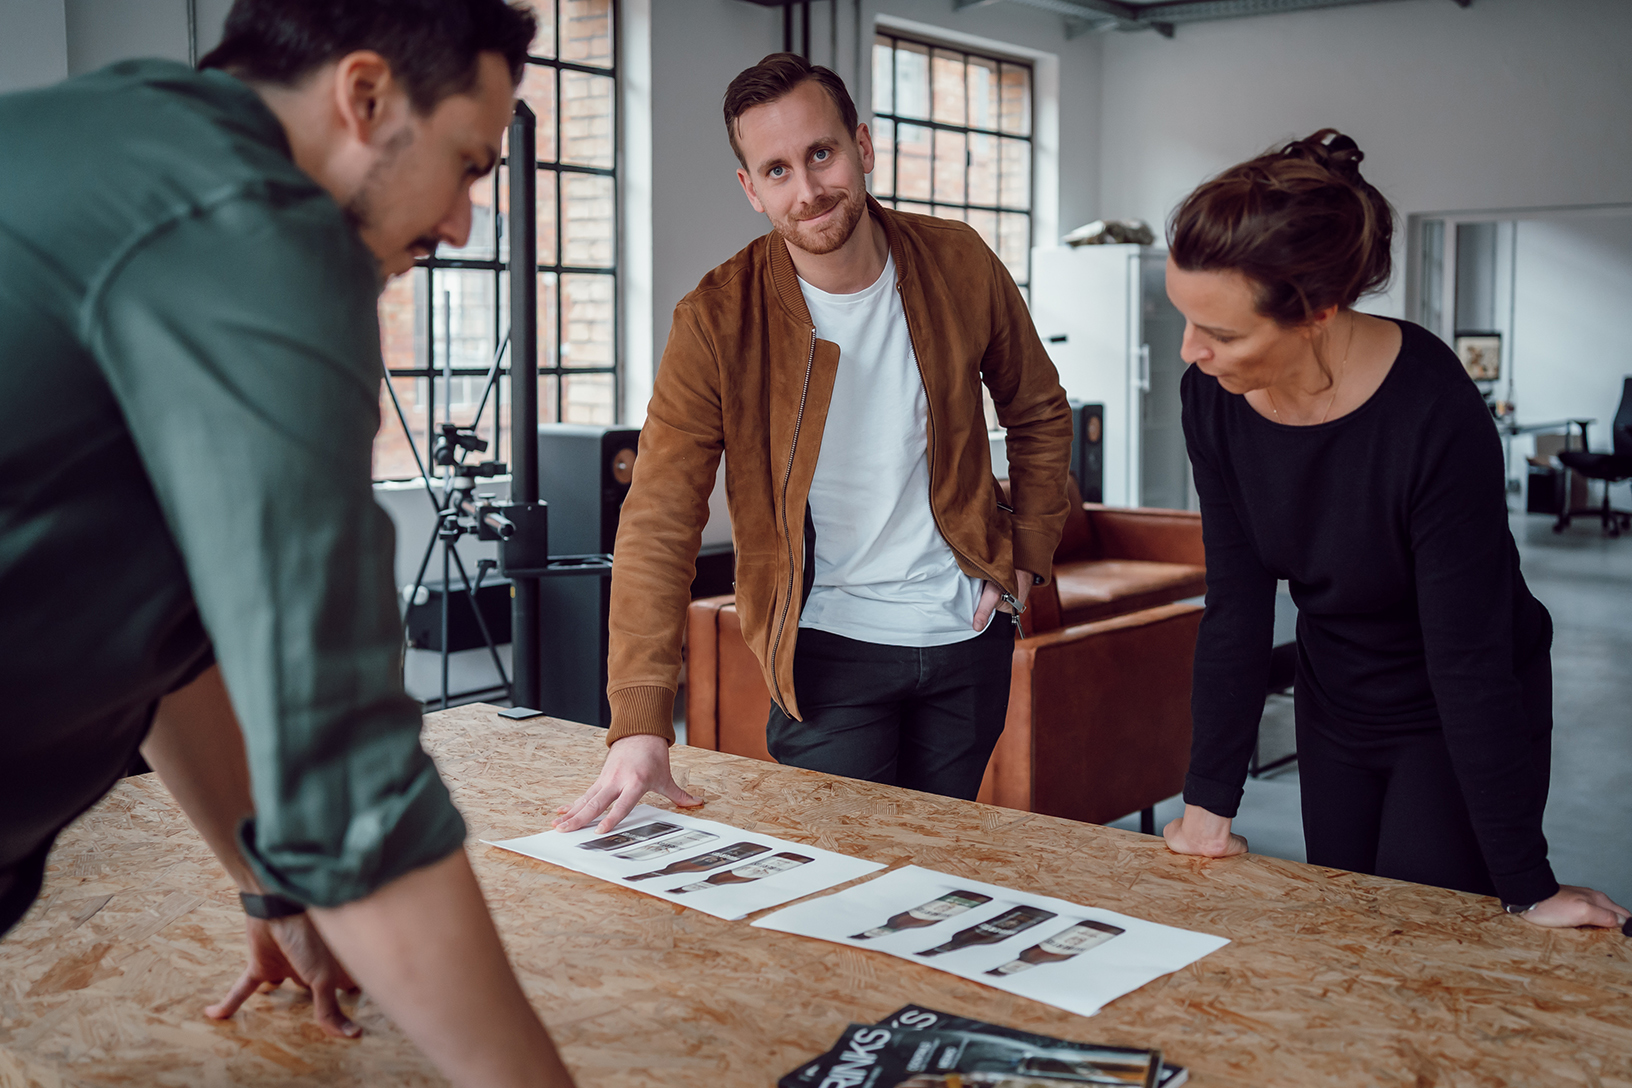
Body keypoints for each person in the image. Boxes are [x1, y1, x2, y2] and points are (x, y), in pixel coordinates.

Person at [0, 2, 578, 1083]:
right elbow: (351, 781)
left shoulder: (129, 144)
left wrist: (276, 886)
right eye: (465, 162)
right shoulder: (259, 224)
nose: (461, 222)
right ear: (364, 98)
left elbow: (176, 637)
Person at [554, 53, 1072, 835]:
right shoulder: (716, 320)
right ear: (751, 189)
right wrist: (641, 720)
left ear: (862, 147)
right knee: (843, 892)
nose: (808, 190)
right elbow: (659, 515)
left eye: (821, 154)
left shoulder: (958, 260)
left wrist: (1027, 552)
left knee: (941, 880)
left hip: (965, 640)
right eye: (777, 169)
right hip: (827, 654)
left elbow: (1037, 408)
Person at [1160, 129, 1629, 931]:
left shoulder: (1432, 412)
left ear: (1317, 312)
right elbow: (1236, 604)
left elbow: (1470, 656)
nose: (1191, 349)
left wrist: (1527, 882)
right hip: (1336, 693)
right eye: (1187, 319)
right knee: (1347, 930)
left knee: (1427, 939)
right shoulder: (1213, 398)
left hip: (1452, 709)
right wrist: (1209, 803)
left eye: (1224, 333)